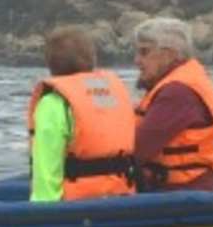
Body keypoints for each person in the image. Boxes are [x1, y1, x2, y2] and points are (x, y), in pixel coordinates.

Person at [28, 25, 136, 202]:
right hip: (121, 196)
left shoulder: (53, 104)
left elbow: (47, 171)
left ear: (50, 63)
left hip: (77, 207)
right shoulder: (116, 94)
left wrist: (42, 215)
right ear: (92, 59)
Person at [130, 17, 213, 192]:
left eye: (144, 52)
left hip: (180, 191)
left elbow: (138, 149)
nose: (136, 60)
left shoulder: (177, 93)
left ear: (169, 54)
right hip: (174, 187)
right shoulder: (176, 85)